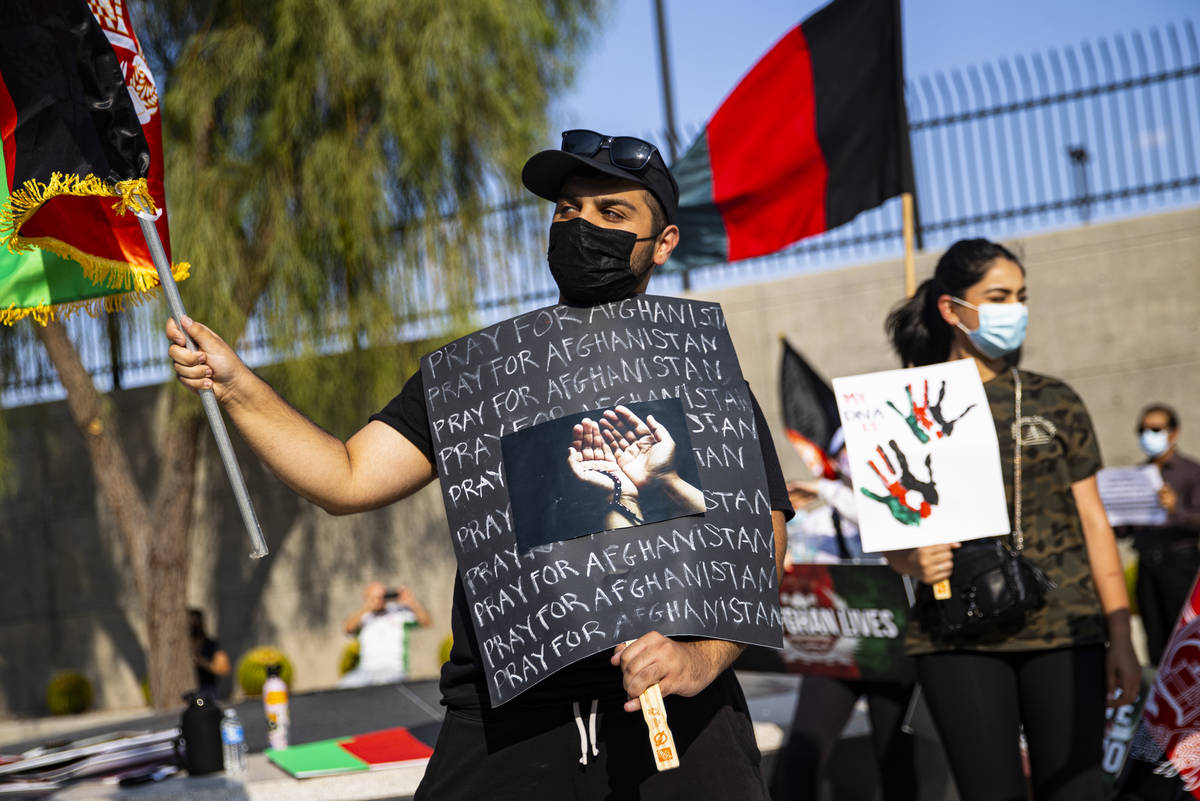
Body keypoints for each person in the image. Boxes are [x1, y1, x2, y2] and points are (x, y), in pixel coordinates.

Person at [165, 130, 792, 799]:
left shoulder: (697, 367)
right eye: (567, 210)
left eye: (612, 213)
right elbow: (345, 477)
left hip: (680, 720)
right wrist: (235, 384)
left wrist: (700, 657)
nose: (581, 225)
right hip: (508, 721)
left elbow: (763, 536)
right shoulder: (479, 380)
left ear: (663, 243)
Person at [880, 238, 1141, 801]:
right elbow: (894, 537)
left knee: (1078, 791)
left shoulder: (1056, 400)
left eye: (1021, 297)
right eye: (998, 296)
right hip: (956, 637)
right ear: (952, 309)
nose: (1014, 309)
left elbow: (1095, 521)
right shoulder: (903, 402)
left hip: (1065, 630)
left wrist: (1121, 635)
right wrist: (912, 559)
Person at [778, 434, 917, 801]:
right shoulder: (820, 519)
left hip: (892, 656)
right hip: (837, 655)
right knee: (802, 753)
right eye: (844, 453)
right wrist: (781, 548)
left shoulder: (901, 509)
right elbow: (785, 543)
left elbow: (882, 521)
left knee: (897, 759)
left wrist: (828, 489)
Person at [1125, 403, 1200, 665]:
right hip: (1147, 565)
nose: (1148, 435)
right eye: (1143, 430)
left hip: (1180, 565)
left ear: (1174, 433)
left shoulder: (1191, 471)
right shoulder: (1137, 475)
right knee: (1155, 644)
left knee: (1185, 641)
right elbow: (1124, 531)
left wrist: (1175, 508)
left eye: (1155, 429)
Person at [338, 581, 432, 688]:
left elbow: (426, 622)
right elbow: (347, 628)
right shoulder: (364, 617)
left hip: (394, 670)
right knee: (343, 686)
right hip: (366, 670)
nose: (379, 600)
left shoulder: (398, 612)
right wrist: (368, 607)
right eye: (374, 597)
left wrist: (412, 603)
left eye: (381, 595)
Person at [188, 608, 231, 698]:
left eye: (196, 621)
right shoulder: (184, 646)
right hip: (188, 689)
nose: (193, 624)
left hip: (207, 690)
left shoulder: (211, 644)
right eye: (190, 622)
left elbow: (222, 669)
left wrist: (200, 661)